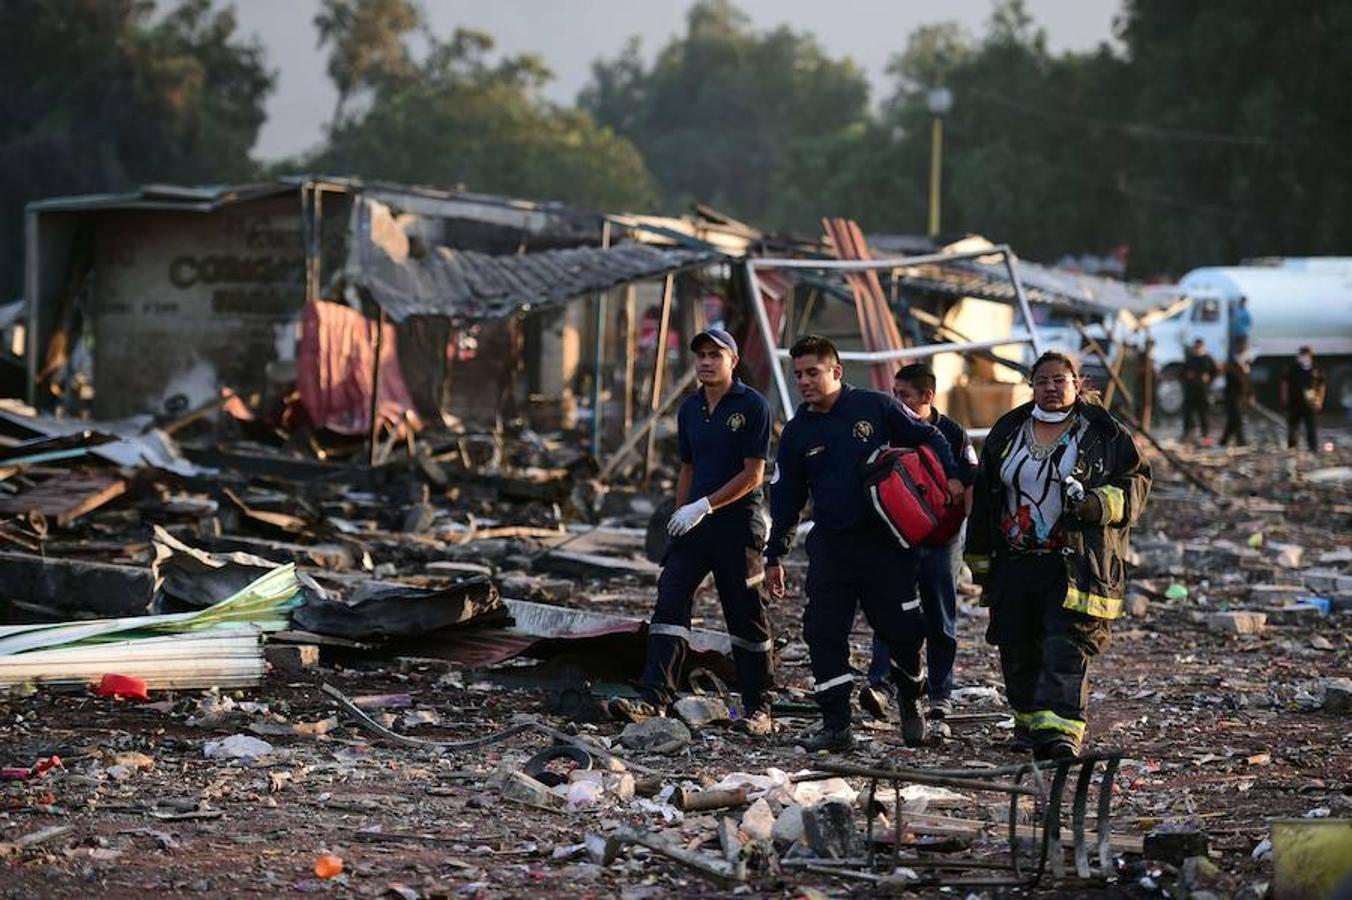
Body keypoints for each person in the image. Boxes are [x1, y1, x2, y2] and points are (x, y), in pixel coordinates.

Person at [765, 335, 963, 751]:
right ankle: (837, 724)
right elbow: (786, 500)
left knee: (904, 633)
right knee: (822, 633)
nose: (804, 381)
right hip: (832, 550)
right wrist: (775, 553)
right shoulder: (798, 431)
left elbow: (931, 437)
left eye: (813, 372)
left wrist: (950, 480)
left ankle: (911, 699)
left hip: (886, 547)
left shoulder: (876, 406)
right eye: (798, 374)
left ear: (836, 372)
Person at [964, 352, 1151, 760]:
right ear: (1032, 385)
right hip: (1015, 560)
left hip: (1075, 562)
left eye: (1060, 380)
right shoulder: (1010, 429)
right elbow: (986, 496)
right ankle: (1029, 726)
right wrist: (978, 558)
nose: (1051, 388)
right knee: (1016, 646)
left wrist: (1098, 505)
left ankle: (1061, 734)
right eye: (1043, 380)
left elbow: (1136, 483)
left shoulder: (1103, 432)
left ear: (1076, 383)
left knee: (1065, 645)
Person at [610, 328, 776, 736]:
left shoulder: (753, 406)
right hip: (695, 526)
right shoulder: (689, 409)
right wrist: (682, 511)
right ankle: (655, 699)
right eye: (700, 355)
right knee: (670, 601)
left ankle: (758, 707)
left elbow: (753, 475)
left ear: (732, 361)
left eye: (714, 355)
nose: (705, 362)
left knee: (744, 614)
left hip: (737, 527)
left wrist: (705, 506)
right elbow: (688, 467)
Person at [860, 365, 978, 732]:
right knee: (890, 616)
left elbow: (970, 483)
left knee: (941, 619)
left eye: (905, 395)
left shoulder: (952, 433)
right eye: (894, 394)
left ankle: (939, 693)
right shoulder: (888, 428)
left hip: (940, 543)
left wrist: (967, 540)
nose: (899, 401)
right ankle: (880, 685)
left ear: (927, 396)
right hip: (894, 539)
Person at [1281, 347, 1326, 452]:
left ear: (1310, 357)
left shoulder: (1317, 369)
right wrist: (1285, 399)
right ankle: (1291, 450)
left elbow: (1322, 386)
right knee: (1292, 429)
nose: (1303, 359)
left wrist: (1319, 401)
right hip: (1295, 403)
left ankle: (1313, 449)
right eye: (1301, 357)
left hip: (1310, 404)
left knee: (1311, 428)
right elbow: (1285, 384)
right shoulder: (1292, 369)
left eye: (1305, 357)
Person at [1180, 339, 1218, 442]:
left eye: (1199, 347)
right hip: (1191, 391)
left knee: (1203, 414)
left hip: (1203, 391)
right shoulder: (1190, 359)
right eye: (1196, 347)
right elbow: (1182, 373)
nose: (1197, 349)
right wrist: (1187, 375)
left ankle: (1204, 434)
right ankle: (1187, 433)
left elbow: (1215, 371)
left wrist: (1209, 378)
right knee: (1188, 414)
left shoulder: (1208, 358)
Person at [1219, 349, 1251, 447]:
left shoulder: (1245, 368)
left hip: (1240, 398)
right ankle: (1240, 441)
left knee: (1232, 421)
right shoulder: (1232, 369)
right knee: (1237, 419)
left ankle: (1224, 441)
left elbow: (1247, 384)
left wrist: (1250, 395)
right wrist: (1244, 372)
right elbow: (1237, 383)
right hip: (1232, 398)